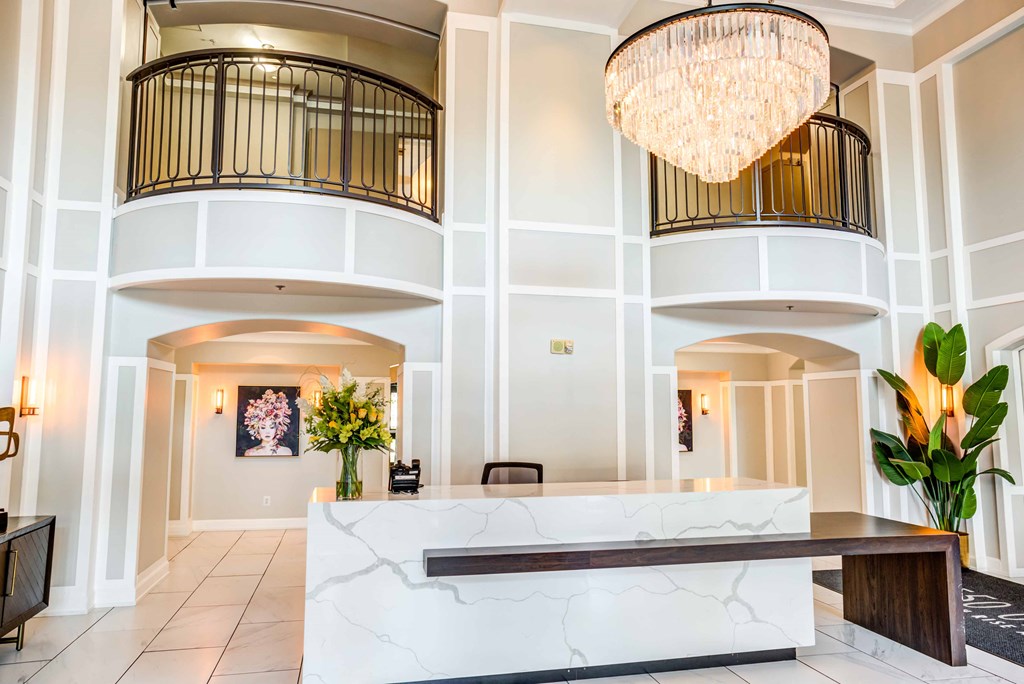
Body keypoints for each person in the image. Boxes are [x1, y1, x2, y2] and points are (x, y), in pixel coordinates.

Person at [243, 389, 293, 456]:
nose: (267, 431)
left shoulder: (286, 452)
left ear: (277, 428)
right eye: (263, 427)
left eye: (271, 427)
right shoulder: (250, 453)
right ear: (257, 429)